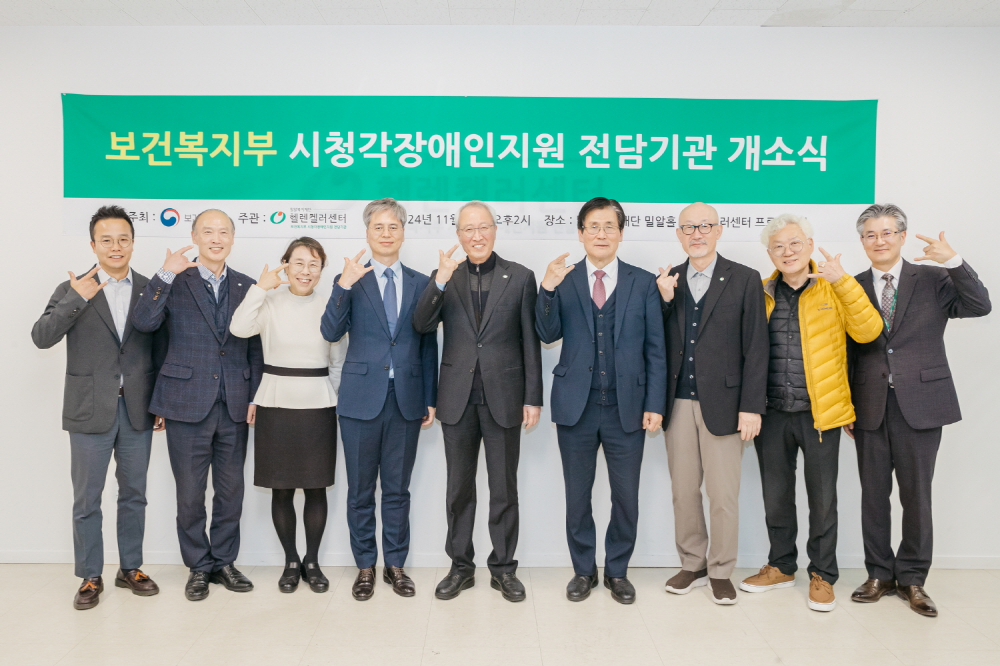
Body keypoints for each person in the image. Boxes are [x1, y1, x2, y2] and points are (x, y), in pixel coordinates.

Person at [846, 204, 990, 617]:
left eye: (887, 233)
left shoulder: (933, 278)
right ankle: (879, 574)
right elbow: (846, 352)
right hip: (869, 405)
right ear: (862, 241)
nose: (879, 241)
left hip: (922, 403)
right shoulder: (851, 286)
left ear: (902, 236)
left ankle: (912, 578)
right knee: (874, 496)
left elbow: (979, 305)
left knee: (917, 496)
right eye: (871, 234)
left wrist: (955, 261)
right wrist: (846, 406)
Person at [738, 214, 882, 612]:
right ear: (770, 254)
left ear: (810, 245)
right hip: (771, 413)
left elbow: (869, 331)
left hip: (821, 414)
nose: (787, 252)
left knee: (822, 500)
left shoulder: (834, 287)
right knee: (776, 496)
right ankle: (781, 566)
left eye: (795, 244)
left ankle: (823, 574)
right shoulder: (760, 292)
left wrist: (843, 281)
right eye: (778, 247)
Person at [32, 205, 165, 610]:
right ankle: (90, 575)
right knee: (87, 498)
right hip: (89, 408)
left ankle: (131, 568)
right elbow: (41, 336)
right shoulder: (72, 287)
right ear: (93, 245)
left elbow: (162, 349)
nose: (115, 247)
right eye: (106, 240)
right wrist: (77, 298)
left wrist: (160, 402)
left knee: (135, 494)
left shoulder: (150, 288)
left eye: (123, 239)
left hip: (137, 408)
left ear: (133, 243)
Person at [535, 197, 666, 604]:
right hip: (576, 406)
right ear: (580, 233)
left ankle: (618, 571)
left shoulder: (643, 282)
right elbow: (546, 333)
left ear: (621, 233)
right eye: (593, 226)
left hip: (628, 407)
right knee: (578, 496)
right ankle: (583, 571)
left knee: (626, 497)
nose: (601, 234)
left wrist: (655, 404)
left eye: (610, 226)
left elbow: (656, 349)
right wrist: (547, 288)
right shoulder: (564, 278)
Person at [412, 201, 543, 602]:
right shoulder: (445, 276)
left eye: (483, 227)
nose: (476, 236)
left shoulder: (520, 277)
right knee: (459, 489)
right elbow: (421, 324)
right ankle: (460, 567)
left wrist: (533, 397)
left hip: (505, 397)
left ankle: (503, 569)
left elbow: (530, 340)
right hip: (457, 399)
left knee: (504, 488)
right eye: (468, 229)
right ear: (458, 235)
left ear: (495, 230)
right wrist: (439, 280)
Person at [131, 209, 264, 601]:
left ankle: (224, 562)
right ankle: (199, 566)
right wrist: (164, 274)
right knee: (190, 494)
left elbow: (256, 348)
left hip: (235, 403)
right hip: (185, 401)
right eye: (208, 231)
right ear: (194, 237)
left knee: (231, 491)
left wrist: (255, 395)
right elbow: (144, 322)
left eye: (223, 232)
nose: (216, 238)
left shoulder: (247, 285)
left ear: (233, 238)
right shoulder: (174, 280)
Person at [320, 199, 438, 601]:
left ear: (403, 232)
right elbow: (330, 331)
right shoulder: (351, 278)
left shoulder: (421, 282)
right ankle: (365, 567)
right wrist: (343, 284)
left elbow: (427, 344)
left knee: (397, 490)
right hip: (359, 400)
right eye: (378, 227)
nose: (386, 234)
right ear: (367, 232)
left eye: (393, 227)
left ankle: (395, 565)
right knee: (360, 491)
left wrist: (430, 397)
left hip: (406, 398)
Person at [658, 202, 768, 605]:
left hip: (726, 403)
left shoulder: (744, 278)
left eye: (705, 226)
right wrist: (664, 300)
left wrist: (752, 406)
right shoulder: (668, 279)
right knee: (684, 491)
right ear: (679, 234)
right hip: (677, 403)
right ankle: (693, 564)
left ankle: (721, 570)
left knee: (723, 495)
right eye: (688, 227)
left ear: (719, 230)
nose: (697, 234)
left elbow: (757, 346)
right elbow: (654, 340)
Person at [230, 237, 346, 594]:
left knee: (316, 487)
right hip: (276, 403)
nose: (305, 271)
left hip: (318, 403)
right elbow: (239, 328)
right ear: (286, 265)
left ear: (321, 270)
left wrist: (334, 400)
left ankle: (312, 561)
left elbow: (338, 362)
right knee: (280, 489)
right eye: (298, 263)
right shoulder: (269, 301)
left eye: (314, 265)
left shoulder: (330, 306)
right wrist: (260, 288)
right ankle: (291, 561)